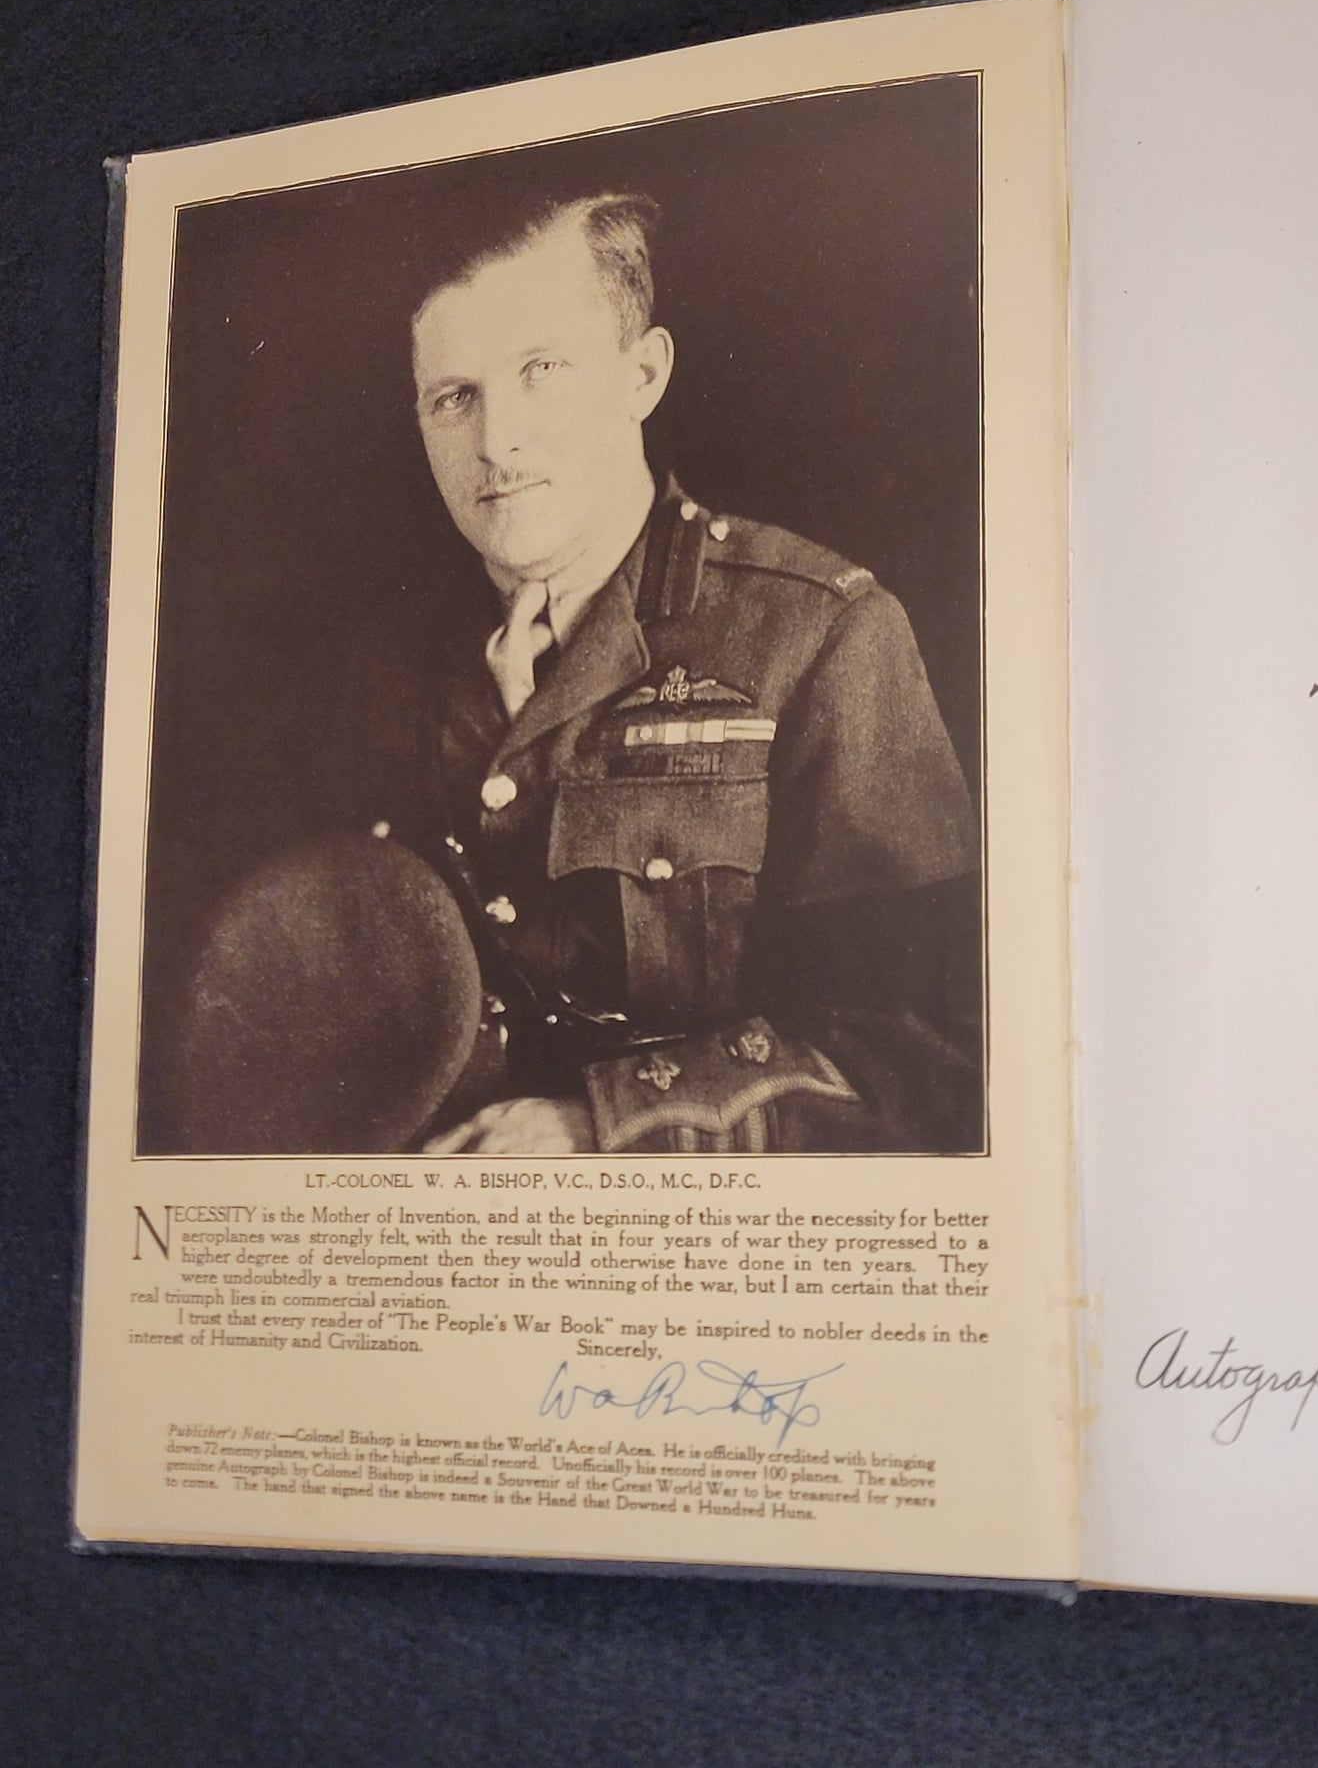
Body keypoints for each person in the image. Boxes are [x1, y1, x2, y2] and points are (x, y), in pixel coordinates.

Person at [172, 188, 984, 1157]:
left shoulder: (819, 635)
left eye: (539, 371)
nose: (494, 441)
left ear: (640, 374)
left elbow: (927, 1048)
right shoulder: (383, 666)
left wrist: (598, 1126)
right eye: (453, 395)